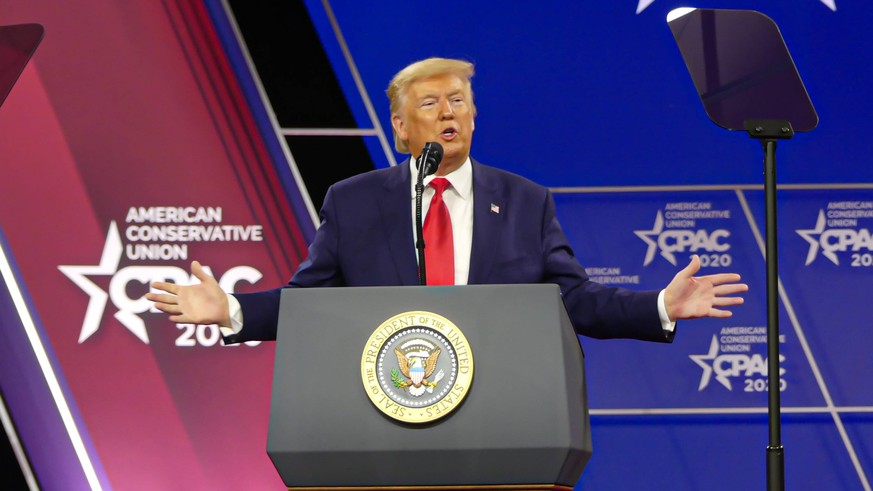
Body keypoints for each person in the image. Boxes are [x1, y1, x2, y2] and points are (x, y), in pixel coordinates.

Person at [147, 57, 747, 343]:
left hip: (505, 413)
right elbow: (311, 302)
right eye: (430, 104)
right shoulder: (353, 202)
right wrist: (232, 310)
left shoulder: (525, 201)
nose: (448, 112)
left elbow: (574, 301)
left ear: (475, 116)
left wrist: (658, 306)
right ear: (401, 129)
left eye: (458, 100)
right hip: (382, 409)